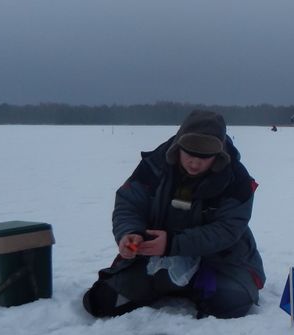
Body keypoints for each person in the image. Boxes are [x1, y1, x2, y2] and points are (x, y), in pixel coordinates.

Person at [83, 110, 265, 319]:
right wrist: (130, 233)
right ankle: (163, 281)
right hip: (155, 256)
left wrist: (172, 243)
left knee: (230, 302)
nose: (195, 163)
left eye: (204, 158)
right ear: (178, 147)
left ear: (219, 155)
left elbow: (227, 230)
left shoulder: (237, 180)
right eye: (189, 154)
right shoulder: (154, 165)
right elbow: (129, 203)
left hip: (217, 259)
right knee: (101, 301)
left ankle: (195, 282)